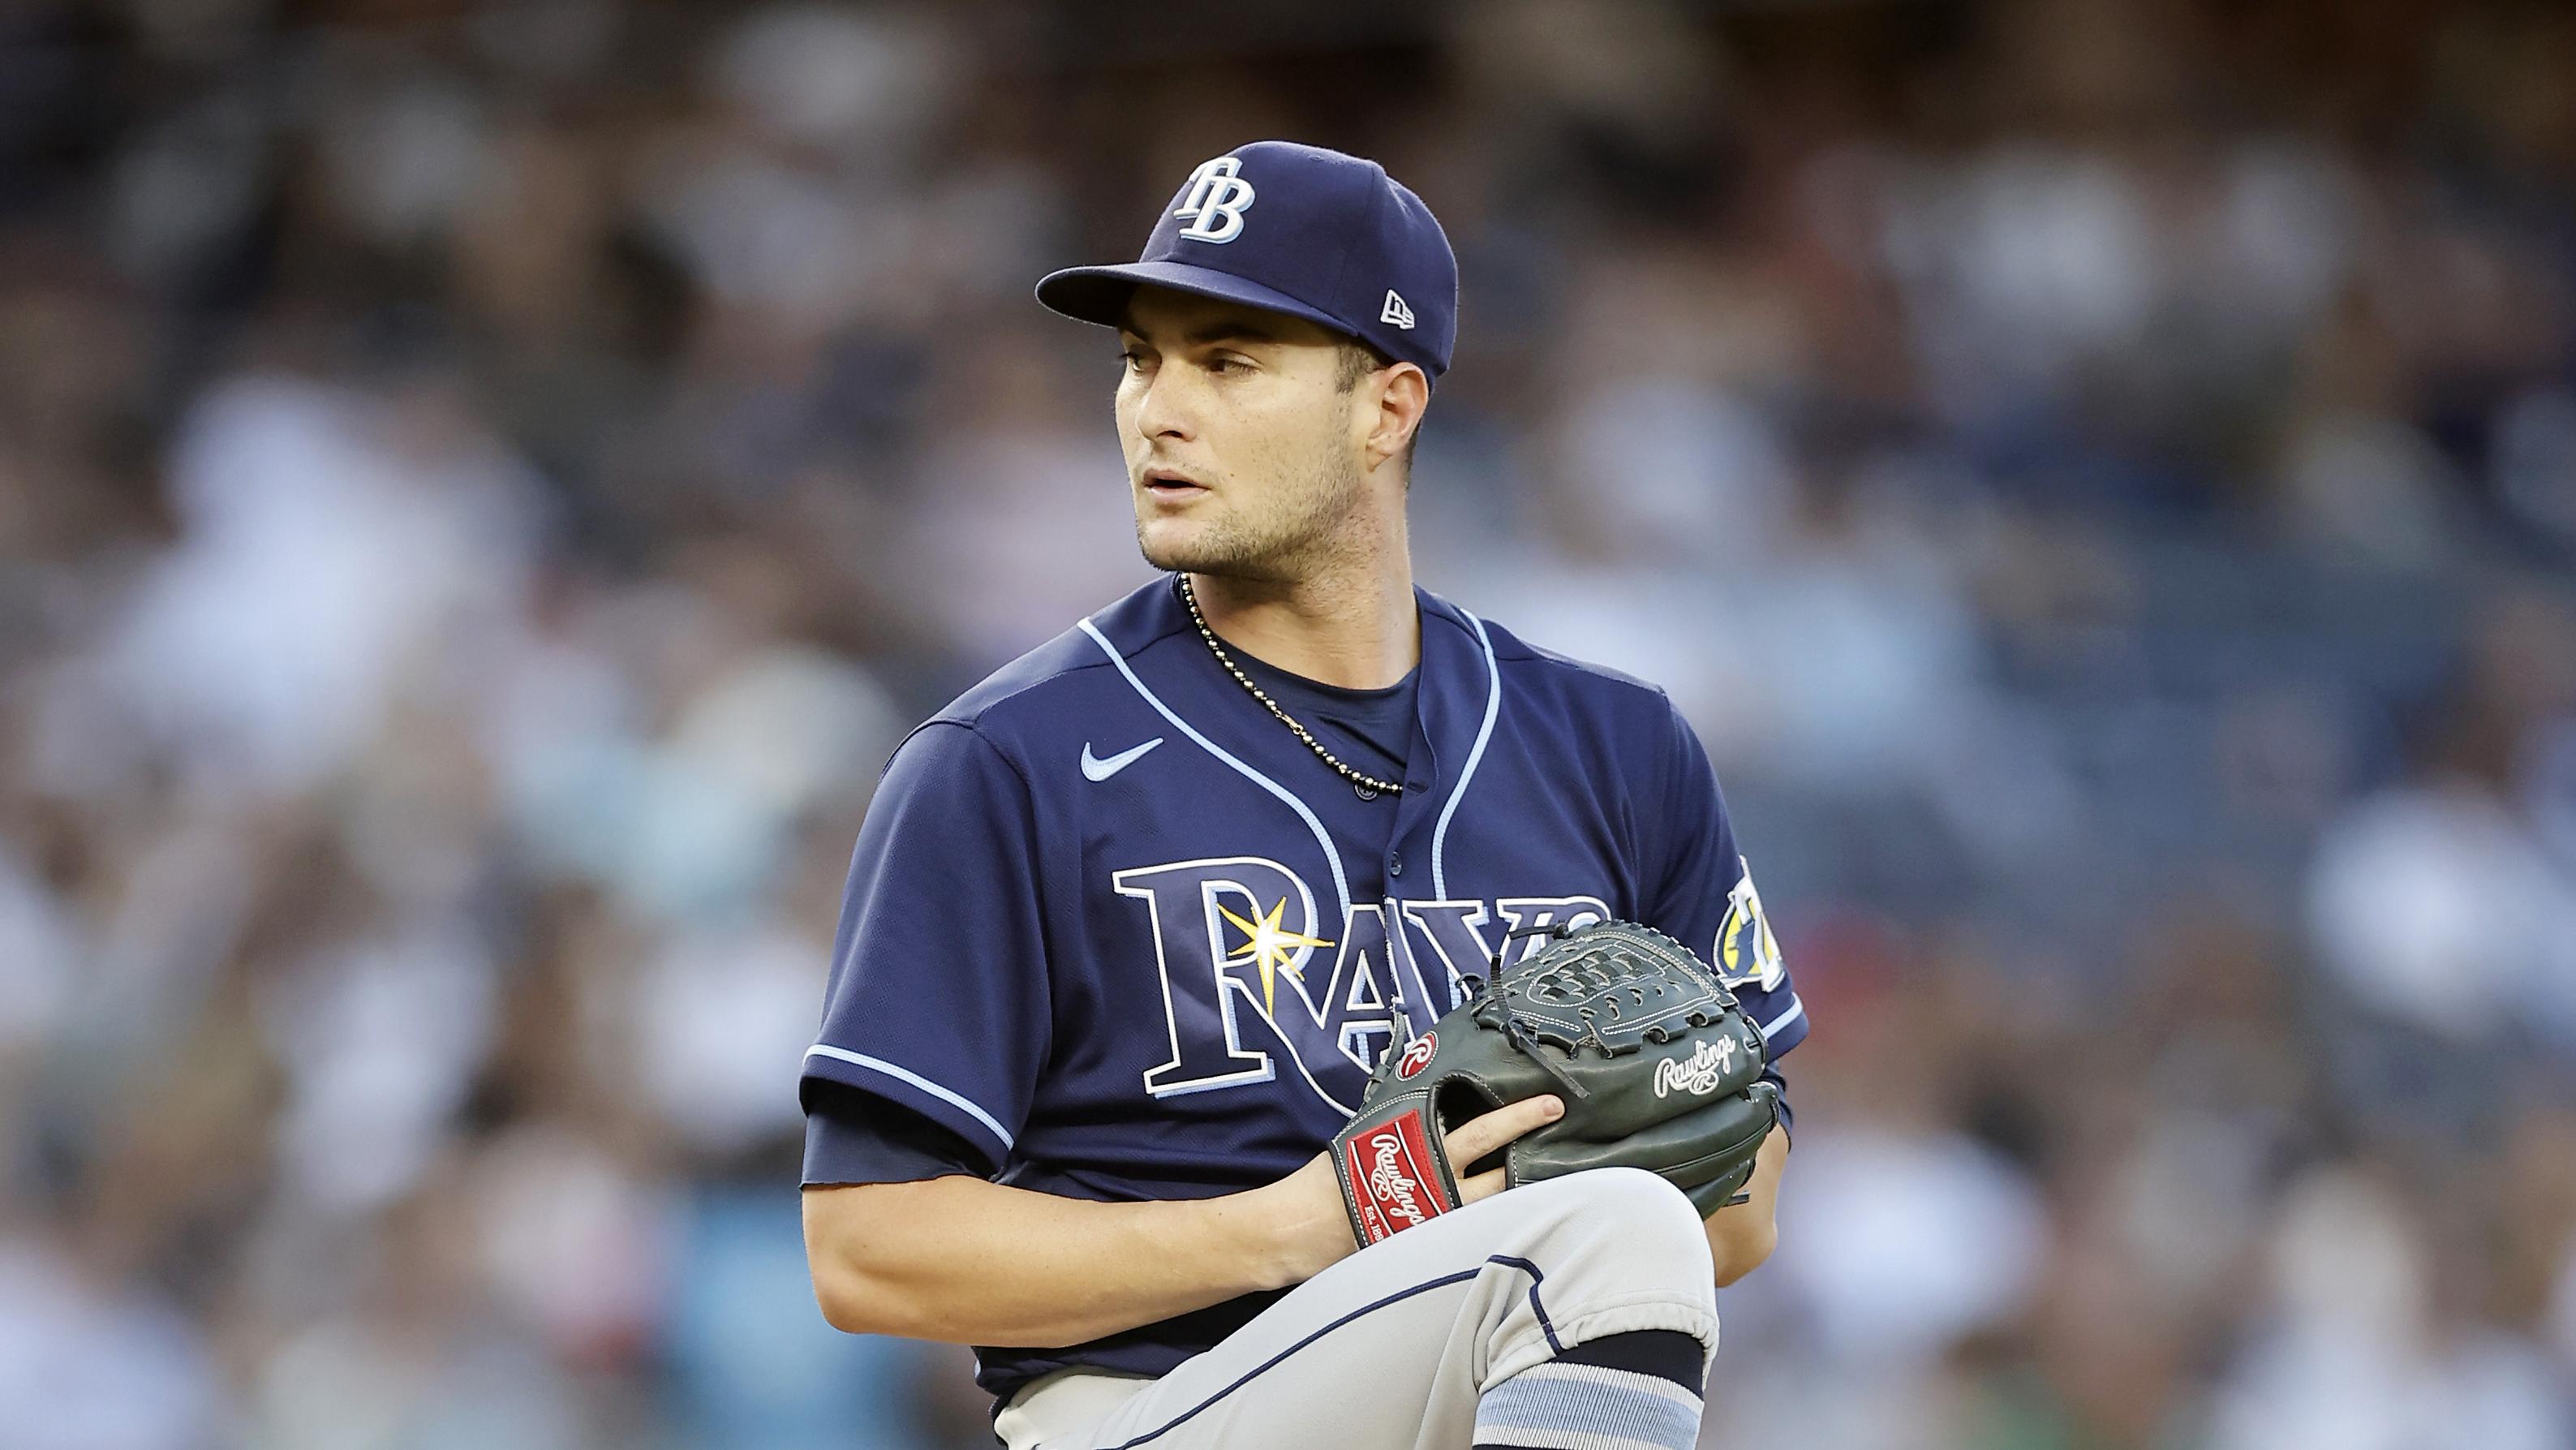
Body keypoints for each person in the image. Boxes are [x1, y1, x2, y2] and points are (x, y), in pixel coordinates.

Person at [799, 140, 1807, 1450]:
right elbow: (868, 1250)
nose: (1160, 408)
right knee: (1598, 1242)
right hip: (1146, 1409)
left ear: (1386, 407)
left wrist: (1518, 1180)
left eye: (1227, 362)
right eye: (1140, 359)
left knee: (1613, 1241)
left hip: (1475, 1376)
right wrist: (1302, 1223)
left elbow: (1743, 1193)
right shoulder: (1009, 759)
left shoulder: (1617, 746)